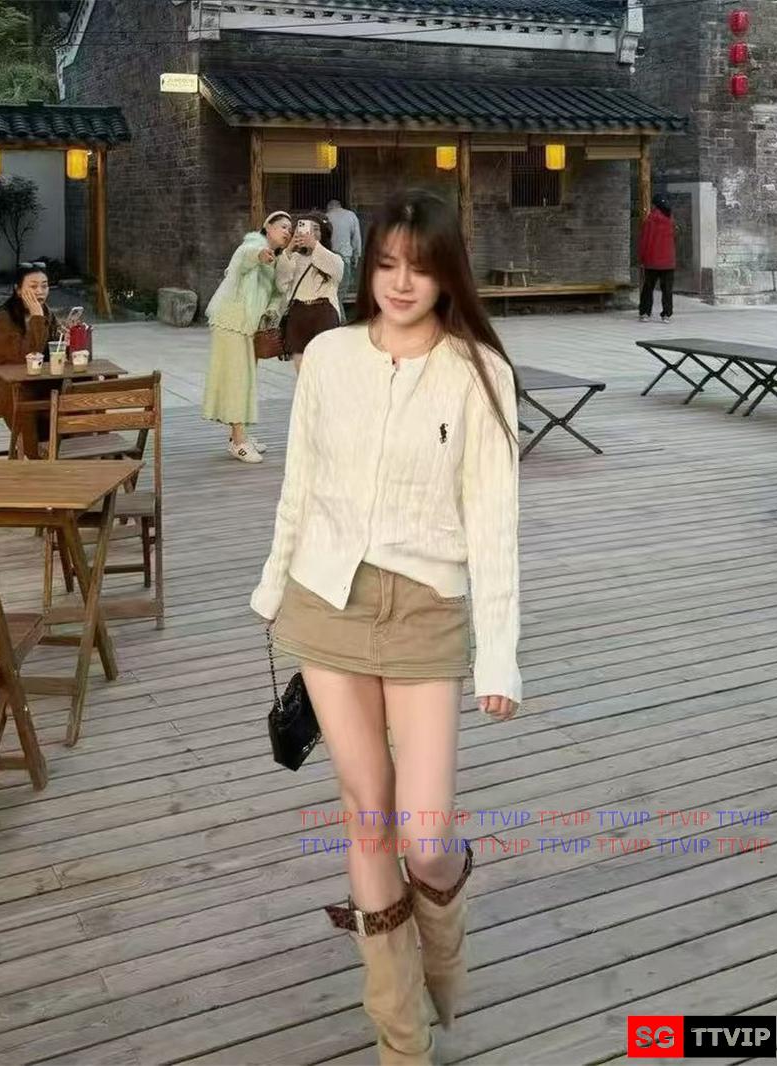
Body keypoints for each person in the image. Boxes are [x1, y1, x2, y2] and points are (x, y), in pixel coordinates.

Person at [251, 189, 521, 1065]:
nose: (402, 283)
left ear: (448, 275)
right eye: (389, 264)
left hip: (424, 609)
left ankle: (442, 958)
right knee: (368, 813)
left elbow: (494, 523)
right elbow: (300, 481)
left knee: (427, 836)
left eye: (422, 267)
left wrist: (499, 656)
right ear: (369, 268)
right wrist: (273, 586)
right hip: (325, 598)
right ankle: (402, 1040)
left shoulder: (478, 370)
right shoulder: (329, 356)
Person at [203, 211, 292, 463]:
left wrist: (272, 310)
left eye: (290, 228)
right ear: (268, 226)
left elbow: (277, 292)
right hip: (231, 322)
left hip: (249, 327)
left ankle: (239, 435)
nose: (287, 231)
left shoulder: (276, 258)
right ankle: (239, 442)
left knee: (245, 380)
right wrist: (260, 255)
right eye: (283, 226)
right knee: (237, 380)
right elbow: (244, 259)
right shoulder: (253, 245)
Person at [0, 262, 60, 458]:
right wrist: (36, 318)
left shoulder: (46, 313)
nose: (40, 291)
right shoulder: (3, 317)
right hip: (10, 386)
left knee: (82, 387)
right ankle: (36, 454)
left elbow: (56, 350)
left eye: (44, 285)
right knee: (28, 401)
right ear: (18, 290)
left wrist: (67, 339)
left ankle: (81, 446)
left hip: (41, 382)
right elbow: (25, 357)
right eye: (33, 286)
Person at [275, 212, 343, 375]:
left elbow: (337, 271)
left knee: (323, 368)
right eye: (305, 228)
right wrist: (289, 249)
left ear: (324, 233)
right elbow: (281, 284)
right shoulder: (293, 257)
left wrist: (314, 245)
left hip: (324, 313)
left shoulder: (332, 257)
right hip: (298, 313)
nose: (310, 232)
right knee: (302, 370)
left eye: (316, 229)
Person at [638, 193, 676, 322]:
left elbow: (644, 241)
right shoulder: (670, 220)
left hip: (652, 260)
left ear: (655, 205)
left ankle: (645, 313)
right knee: (667, 290)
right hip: (668, 261)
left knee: (648, 288)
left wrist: (642, 259)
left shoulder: (650, 220)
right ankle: (666, 314)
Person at [327, 198, 362, 319]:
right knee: (340, 292)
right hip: (345, 258)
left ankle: (339, 319)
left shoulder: (326, 217)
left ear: (329, 207)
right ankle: (341, 319)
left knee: (333, 291)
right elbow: (356, 239)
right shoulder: (351, 216)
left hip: (329, 258)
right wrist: (356, 255)